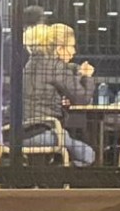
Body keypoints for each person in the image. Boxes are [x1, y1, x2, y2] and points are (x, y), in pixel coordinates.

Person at [21, 22, 97, 165]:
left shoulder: (31, 63)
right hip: (42, 132)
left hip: (15, 133)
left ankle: (52, 172)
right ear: (60, 48)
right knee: (88, 155)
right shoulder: (56, 67)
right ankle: (60, 174)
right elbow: (82, 98)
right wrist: (87, 76)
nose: (74, 51)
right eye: (71, 46)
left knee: (60, 150)